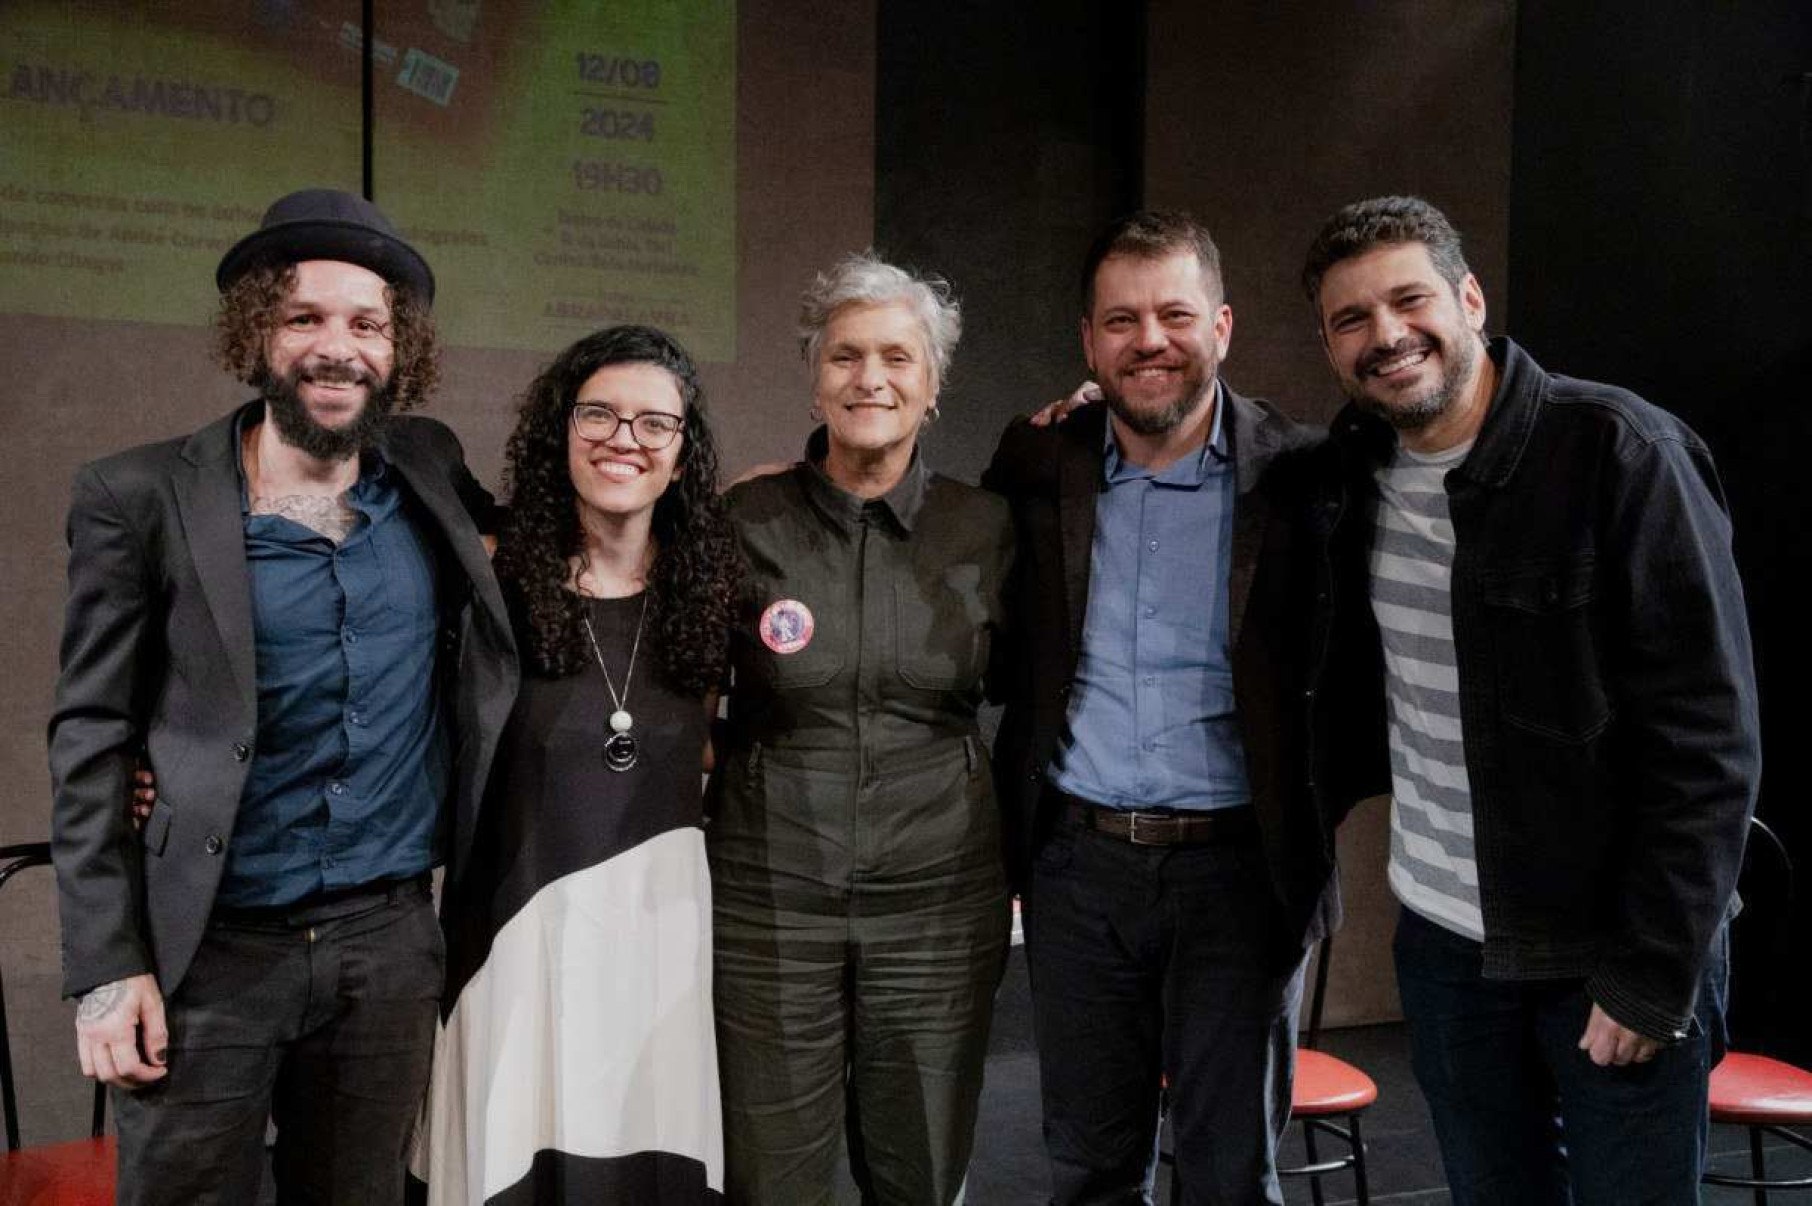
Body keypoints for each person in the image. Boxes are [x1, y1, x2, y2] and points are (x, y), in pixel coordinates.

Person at [47, 188, 516, 1204]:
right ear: (255, 333)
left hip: (387, 950)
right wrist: (104, 966)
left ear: (402, 348)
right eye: (303, 317)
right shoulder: (139, 496)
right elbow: (90, 731)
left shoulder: (429, 465)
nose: (335, 348)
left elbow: (555, 541)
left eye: (366, 324)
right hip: (208, 956)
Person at [1300, 195, 1760, 1204]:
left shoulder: (1621, 452)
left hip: (1608, 947)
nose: (1386, 336)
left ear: (1469, 298)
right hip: (1443, 945)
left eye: (1409, 299)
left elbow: (1711, 745)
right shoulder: (1352, 472)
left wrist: (1651, 969)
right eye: (1350, 320)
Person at [983, 210, 1349, 1206]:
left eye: (1175, 315)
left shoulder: (1303, 477)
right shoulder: (1039, 462)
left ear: (1222, 327)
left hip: (1239, 874)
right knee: (1091, 1166)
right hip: (1078, 875)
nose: (1150, 340)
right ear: (1089, 343)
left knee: (1230, 1172)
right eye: (1122, 320)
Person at [707, 252, 1014, 1204]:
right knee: (773, 1180)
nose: (869, 379)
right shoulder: (743, 520)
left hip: (937, 909)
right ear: (813, 373)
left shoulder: (990, 528)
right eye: (844, 356)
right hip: (769, 905)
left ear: (932, 384)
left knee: (920, 1173)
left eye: (895, 357)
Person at [410, 325, 740, 1204]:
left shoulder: (714, 591)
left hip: (658, 945)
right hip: (514, 945)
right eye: (597, 414)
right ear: (558, 432)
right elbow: (405, 441)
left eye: (653, 424)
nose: (623, 439)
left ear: (684, 452)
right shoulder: (493, 583)